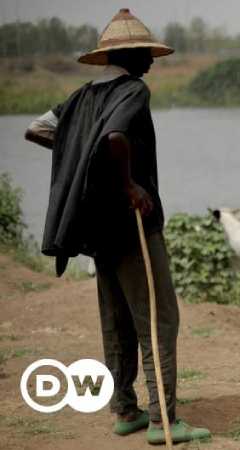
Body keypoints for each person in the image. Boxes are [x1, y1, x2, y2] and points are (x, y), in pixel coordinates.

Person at [24, 9, 210, 445]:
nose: (151, 60)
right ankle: (165, 421)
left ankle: (125, 409)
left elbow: (36, 130)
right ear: (129, 54)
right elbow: (114, 139)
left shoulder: (81, 96)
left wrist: (79, 155)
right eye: (146, 52)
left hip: (95, 227)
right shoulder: (133, 90)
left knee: (116, 317)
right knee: (159, 317)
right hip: (131, 227)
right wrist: (128, 185)